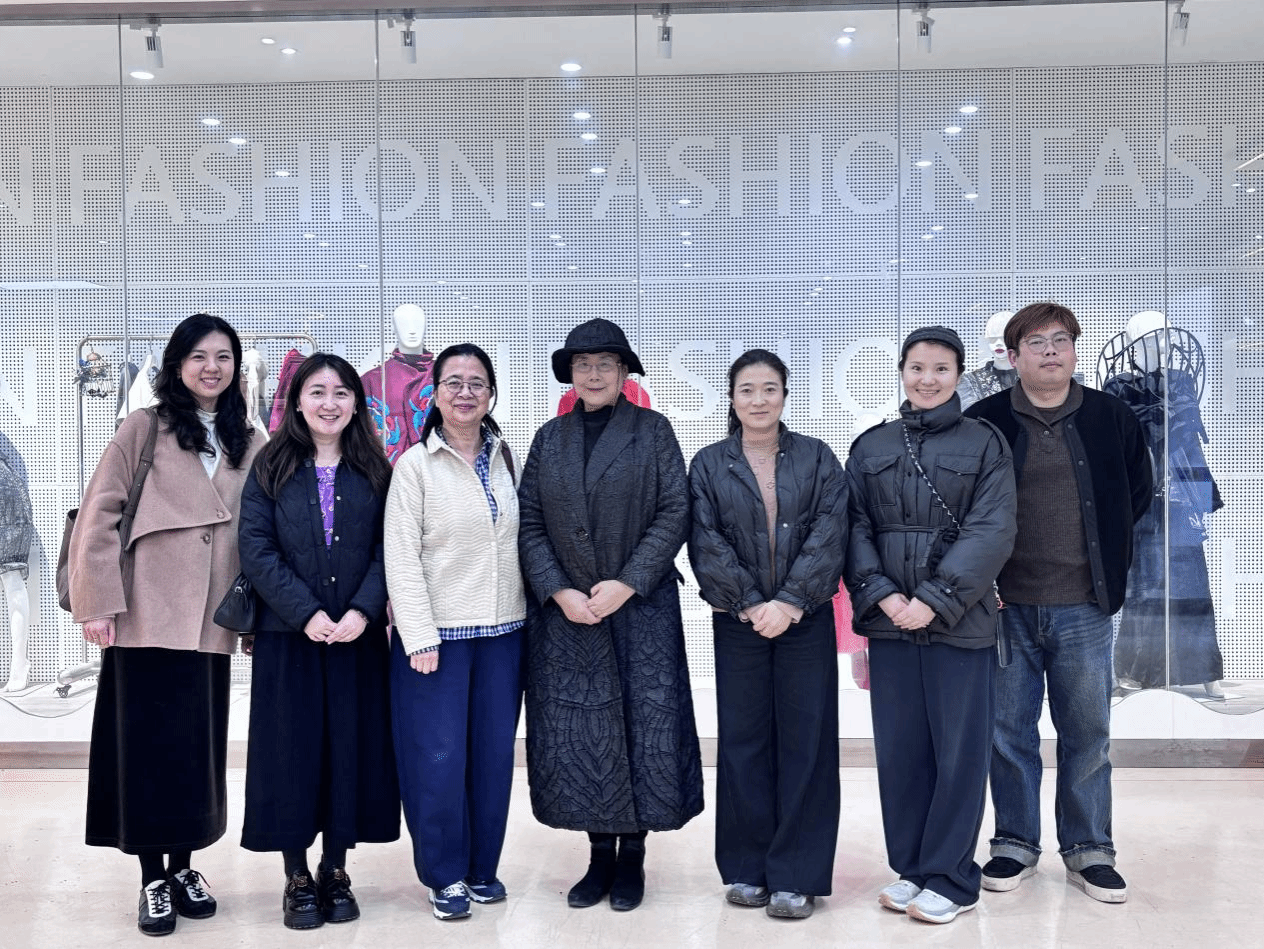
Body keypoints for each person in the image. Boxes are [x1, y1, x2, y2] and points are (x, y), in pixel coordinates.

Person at [67, 313, 261, 937]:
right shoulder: (143, 427)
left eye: (224, 357)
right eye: (199, 356)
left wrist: (261, 616)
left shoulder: (249, 437)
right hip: (146, 614)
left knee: (197, 751)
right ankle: (152, 875)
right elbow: (100, 513)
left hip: (211, 620)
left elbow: (260, 529)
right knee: (145, 751)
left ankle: (185, 867)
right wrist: (97, 602)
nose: (212, 367)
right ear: (176, 365)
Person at [965, 302, 1152, 904]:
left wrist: (1104, 566)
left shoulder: (1110, 416)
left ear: (1073, 350)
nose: (1050, 350)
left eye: (1061, 339)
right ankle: (1015, 844)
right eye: (1036, 342)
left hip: (1084, 605)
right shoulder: (987, 420)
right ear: (1013, 356)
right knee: (1007, 733)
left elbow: (1136, 494)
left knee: (1088, 733)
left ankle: (1089, 849)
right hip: (1006, 605)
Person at [518, 318, 703, 913]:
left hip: (640, 609)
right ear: (569, 375)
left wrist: (627, 582)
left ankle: (633, 857)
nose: (593, 374)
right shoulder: (549, 438)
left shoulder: (653, 431)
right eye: (582, 364)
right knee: (582, 733)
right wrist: (558, 590)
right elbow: (529, 523)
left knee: (643, 730)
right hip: (569, 615)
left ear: (624, 372)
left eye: (605, 363)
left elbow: (675, 511)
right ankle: (599, 854)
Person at [846, 326, 1017, 924]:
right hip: (890, 622)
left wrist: (935, 598)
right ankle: (913, 868)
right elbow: (853, 528)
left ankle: (951, 877)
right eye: (917, 367)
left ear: (958, 375)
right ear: (901, 372)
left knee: (959, 753)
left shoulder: (985, 442)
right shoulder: (871, 445)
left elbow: (993, 528)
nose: (927, 379)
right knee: (901, 751)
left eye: (941, 369)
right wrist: (884, 596)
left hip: (959, 621)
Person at [237, 353, 399, 930]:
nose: (329, 403)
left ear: (356, 402)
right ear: (298, 402)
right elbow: (255, 547)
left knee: (348, 751)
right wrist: (304, 612)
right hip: (289, 638)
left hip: (357, 639)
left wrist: (363, 610)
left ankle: (335, 868)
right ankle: (297, 875)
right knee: (291, 752)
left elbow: (392, 547)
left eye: (340, 393)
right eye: (317, 392)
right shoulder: (270, 465)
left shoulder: (376, 469)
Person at [687, 349, 847, 920]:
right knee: (743, 742)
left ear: (785, 395)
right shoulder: (709, 464)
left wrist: (792, 601)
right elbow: (704, 541)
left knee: (807, 744)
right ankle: (748, 866)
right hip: (739, 622)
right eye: (747, 390)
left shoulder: (817, 457)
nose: (759, 400)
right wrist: (753, 604)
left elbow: (832, 532)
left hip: (806, 619)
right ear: (732, 399)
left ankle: (796, 875)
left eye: (770, 389)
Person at [384, 343, 526, 921]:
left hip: (505, 633)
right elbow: (400, 555)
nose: (465, 392)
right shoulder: (414, 466)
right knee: (436, 759)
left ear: (491, 394)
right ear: (435, 394)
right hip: (437, 639)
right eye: (454, 382)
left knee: (491, 758)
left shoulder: (504, 456)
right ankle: (444, 874)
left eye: (477, 383)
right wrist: (417, 635)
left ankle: (481, 867)